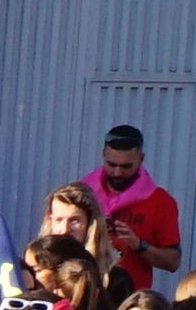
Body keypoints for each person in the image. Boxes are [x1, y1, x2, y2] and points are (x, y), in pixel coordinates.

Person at [77, 123, 180, 287]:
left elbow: (172, 262)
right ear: (103, 155)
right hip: (85, 292)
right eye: (111, 164)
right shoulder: (82, 193)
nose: (117, 173)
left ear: (141, 158)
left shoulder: (160, 201)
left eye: (126, 166)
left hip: (130, 302)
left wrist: (139, 245)